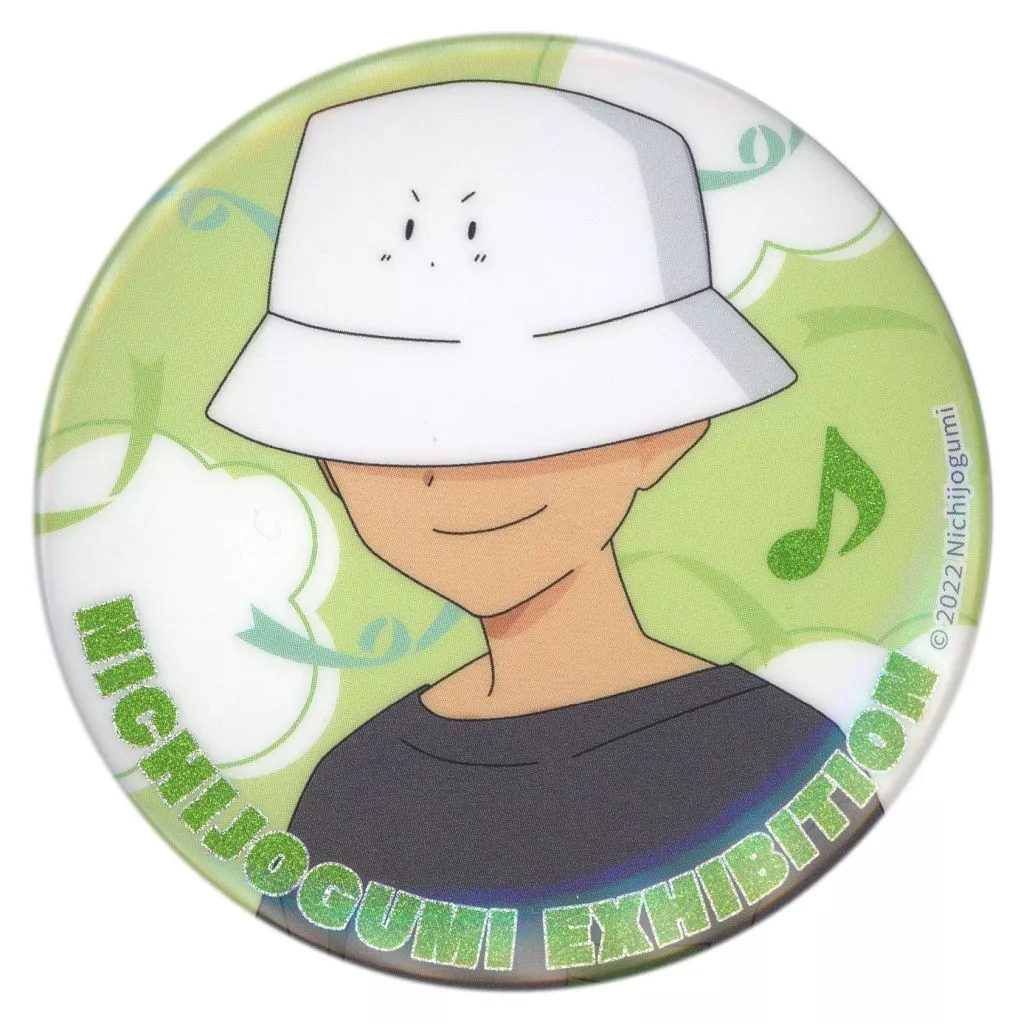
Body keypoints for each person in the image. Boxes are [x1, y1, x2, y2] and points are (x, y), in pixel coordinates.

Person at [208, 80, 878, 971]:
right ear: (326, 462)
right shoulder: (354, 788)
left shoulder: (776, 757)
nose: (447, 475)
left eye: (530, 423)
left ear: (667, 433)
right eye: (377, 428)